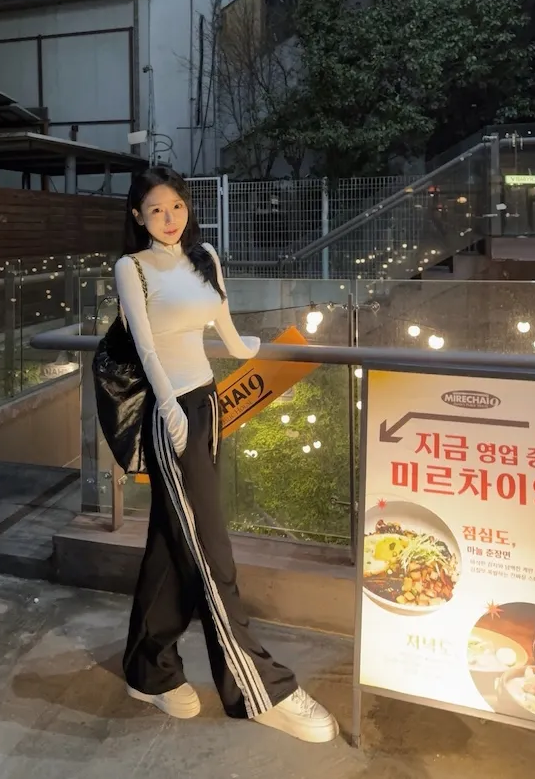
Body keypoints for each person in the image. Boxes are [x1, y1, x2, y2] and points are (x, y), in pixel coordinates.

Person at [114, 165, 339, 743]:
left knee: (174, 538)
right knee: (211, 549)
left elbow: (226, 327)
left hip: (207, 403)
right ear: (138, 215)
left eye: (177, 207)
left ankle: (147, 669)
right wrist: (168, 409)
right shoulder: (132, 268)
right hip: (170, 413)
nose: (169, 218)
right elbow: (144, 347)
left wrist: (251, 347)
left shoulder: (204, 257)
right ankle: (259, 689)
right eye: (156, 209)